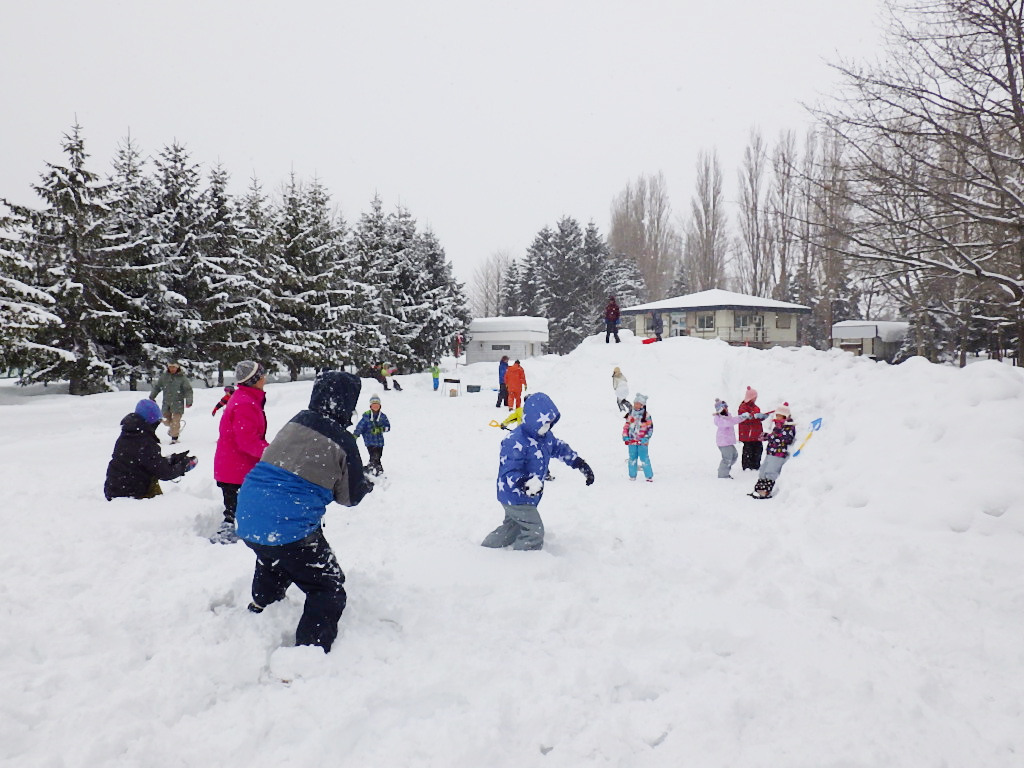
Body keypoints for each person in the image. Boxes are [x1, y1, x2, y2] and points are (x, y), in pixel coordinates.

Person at [235, 371, 373, 653]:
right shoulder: (344, 440)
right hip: (288, 525)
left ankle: (263, 603)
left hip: (248, 513)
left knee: (274, 555)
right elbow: (350, 497)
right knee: (327, 586)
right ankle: (308, 652)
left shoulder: (296, 421)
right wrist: (365, 484)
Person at [481, 392, 594, 551]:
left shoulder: (545, 437)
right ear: (533, 420)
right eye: (544, 423)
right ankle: (526, 559)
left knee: (513, 527)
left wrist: (580, 464)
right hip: (514, 493)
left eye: (550, 422)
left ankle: (486, 549)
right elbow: (509, 471)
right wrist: (523, 483)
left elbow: (560, 449)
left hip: (526, 495)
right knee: (534, 530)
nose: (547, 426)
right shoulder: (514, 441)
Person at [211, 361, 269, 544]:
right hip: (236, 469)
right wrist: (271, 452)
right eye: (262, 375)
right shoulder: (245, 404)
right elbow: (247, 441)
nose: (265, 378)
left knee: (237, 509)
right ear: (255, 380)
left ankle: (232, 535)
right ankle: (223, 543)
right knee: (234, 514)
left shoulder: (245, 398)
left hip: (234, 466)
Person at [104, 399, 198, 500]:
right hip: (130, 495)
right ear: (151, 422)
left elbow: (148, 462)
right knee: (154, 483)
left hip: (114, 489)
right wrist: (184, 465)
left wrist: (171, 460)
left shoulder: (127, 435)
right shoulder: (144, 442)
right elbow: (163, 472)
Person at [751, 403, 797, 499]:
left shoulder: (789, 426)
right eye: (777, 415)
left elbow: (785, 439)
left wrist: (770, 437)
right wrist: (767, 437)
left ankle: (765, 491)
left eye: (779, 415)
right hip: (771, 451)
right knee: (763, 470)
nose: (777, 417)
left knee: (771, 471)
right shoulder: (778, 425)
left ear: (784, 415)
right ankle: (758, 489)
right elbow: (775, 436)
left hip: (778, 453)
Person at [148, 361, 193, 444]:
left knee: (175, 421)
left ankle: (174, 438)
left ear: (177, 367)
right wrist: (152, 396)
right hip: (166, 403)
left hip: (178, 403)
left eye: (174, 367)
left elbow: (188, 390)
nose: (172, 369)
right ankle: (172, 429)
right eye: (170, 367)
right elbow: (157, 387)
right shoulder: (164, 377)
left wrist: (189, 401)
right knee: (165, 420)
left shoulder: (182, 378)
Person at [713, 399, 756, 479]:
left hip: (728, 442)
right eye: (725, 407)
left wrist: (743, 417)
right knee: (727, 459)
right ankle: (723, 475)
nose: (727, 408)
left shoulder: (727, 416)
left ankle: (723, 469)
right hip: (723, 443)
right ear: (721, 409)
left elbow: (733, 420)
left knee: (734, 456)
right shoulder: (719, 419)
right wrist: (741, 416)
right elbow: (729, 422)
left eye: (727, 407)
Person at [353, 394, 391, 476]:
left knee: (378, 456)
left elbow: (388, 427)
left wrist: (380, 429)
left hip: (380, 442)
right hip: (370, 442)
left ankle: (378, 470)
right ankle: (370, 469)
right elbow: (360, 427)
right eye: (374, 405)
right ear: (370, 406)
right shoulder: (366, 417)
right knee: (374, 456)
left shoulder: (382, 416)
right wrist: (355, 435)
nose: (375, 407)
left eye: (377, 405)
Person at [622, 393, 654, 481]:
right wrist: (625, 436)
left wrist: (646, 438)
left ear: (642, 405)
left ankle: (649, 476)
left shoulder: (646, 416)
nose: (635, 405)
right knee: (632, 458)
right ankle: (632, 475)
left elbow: (650, 428)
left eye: (637, 403)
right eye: (635, 403)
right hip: (632, 441)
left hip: (642, 442)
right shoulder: (631, 414)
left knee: (644, 458)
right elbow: (626, 426)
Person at [738, 386, 771, 470]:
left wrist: (762, 416)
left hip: (757, 433)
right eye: (754, 397)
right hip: (747, 434)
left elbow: (756, 418)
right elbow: (745, 417)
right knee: (748, 450)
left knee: (758, 449)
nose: (755, 399)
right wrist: (754, 416)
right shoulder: (743, 407)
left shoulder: (756, 407)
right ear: (750, 397)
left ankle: (756, 466)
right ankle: (747, 467)